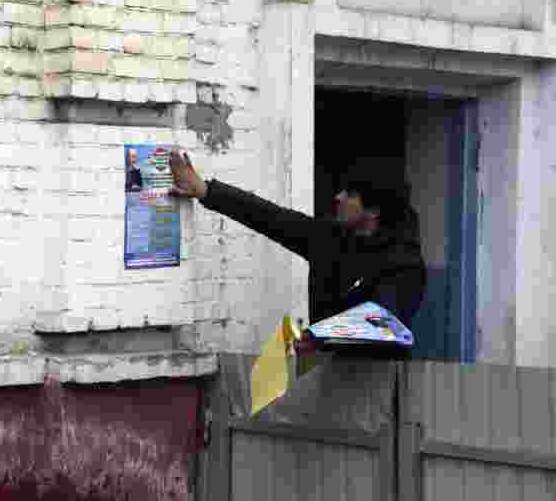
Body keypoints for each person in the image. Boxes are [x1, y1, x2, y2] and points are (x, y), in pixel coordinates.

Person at [169, 149, 426, 357]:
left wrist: (321, 336)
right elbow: (272, 218)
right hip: (333, 383)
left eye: (350, 194)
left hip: (384, 393)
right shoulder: (332, 239)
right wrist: (205, 190)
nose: (338, 197)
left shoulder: (404, 263)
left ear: (373, 211)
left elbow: (382, 321)